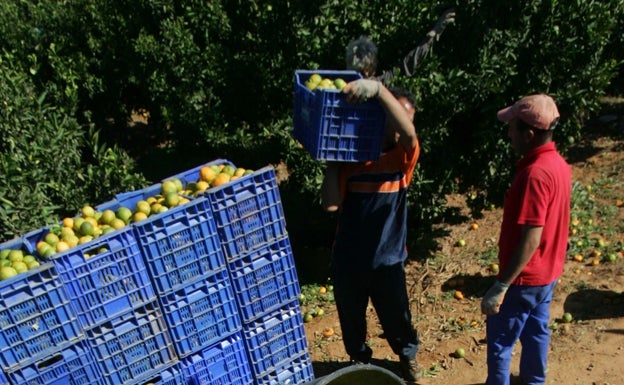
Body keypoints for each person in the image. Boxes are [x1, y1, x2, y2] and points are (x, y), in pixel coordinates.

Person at [320, 79, 422, 382]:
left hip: (388, 261)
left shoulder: (402, 160)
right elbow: (330, 205)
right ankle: (360, 361)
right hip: (349, 259)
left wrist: (378, 90)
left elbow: (409, 134)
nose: (401, 125)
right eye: (396, 115)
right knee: (352, 320)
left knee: (396, 318)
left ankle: (407, 358)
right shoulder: (354, 159)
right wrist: (333, 165)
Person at [481, 94, 571, 385]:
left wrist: (502, 284)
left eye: (512, 128)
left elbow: (531, 238)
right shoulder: (558, 164)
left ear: (529, 134)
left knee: (500, 344)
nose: (508, 133)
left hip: (525, 279)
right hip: (548, 273)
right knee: (536, 332)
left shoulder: (535, 174)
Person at [345, 8, 456, 84]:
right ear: (367, 71)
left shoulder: (341, 87)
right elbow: (408, 65)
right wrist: (432, 35)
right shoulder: (377, 86)